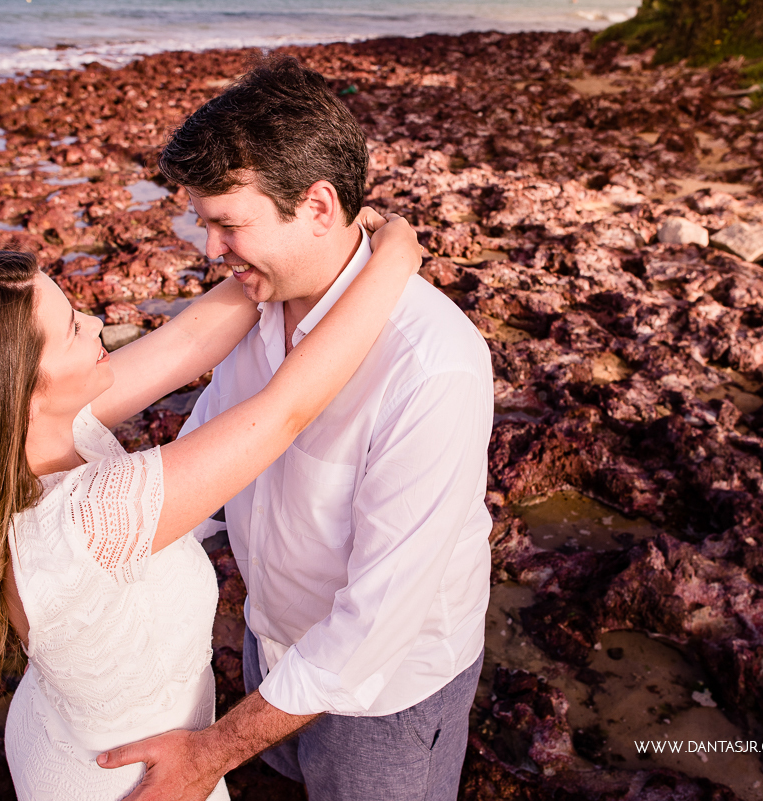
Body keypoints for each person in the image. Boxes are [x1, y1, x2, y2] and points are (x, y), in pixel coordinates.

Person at [0, 206, 421, 801]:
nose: (95, 321)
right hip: (132, 780)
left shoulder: (8, 450)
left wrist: (278, 251)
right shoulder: (86, 521)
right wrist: (395, 257)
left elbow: (187, 340)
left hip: (61, 733)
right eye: (71, 327)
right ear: (17, 392)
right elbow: (286, 410)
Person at [98, 57, 494, 801]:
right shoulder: (254, 310)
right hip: (267, 647)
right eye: (204, 224)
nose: (210, 252)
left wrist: (213, 750)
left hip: (385, 700)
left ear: (317, 206)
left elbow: (377, 625)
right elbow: (212, 468)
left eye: (228, 225)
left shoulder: (432, 365)